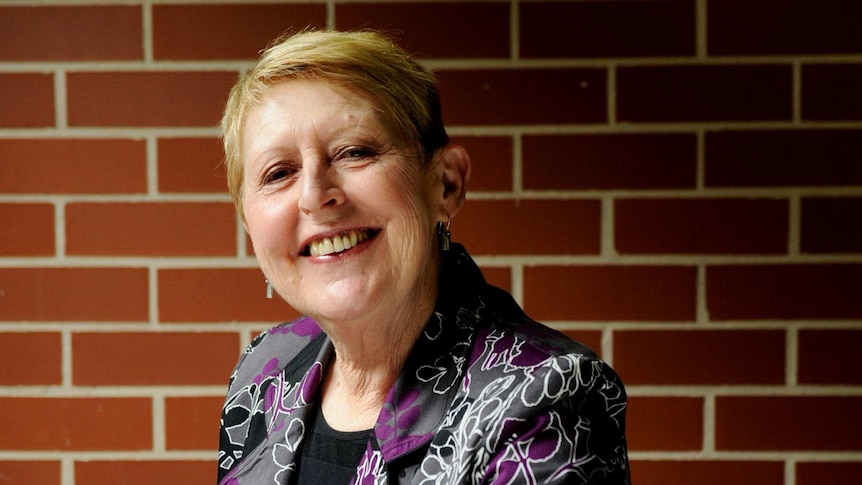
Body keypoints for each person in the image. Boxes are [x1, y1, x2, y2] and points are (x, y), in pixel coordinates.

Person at [217, 29, 630, 485]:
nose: (315, 196)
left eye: (355, 152)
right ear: (248, 224)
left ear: (445, 183)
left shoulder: (543, 399)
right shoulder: (265, 371)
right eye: (279, 173)